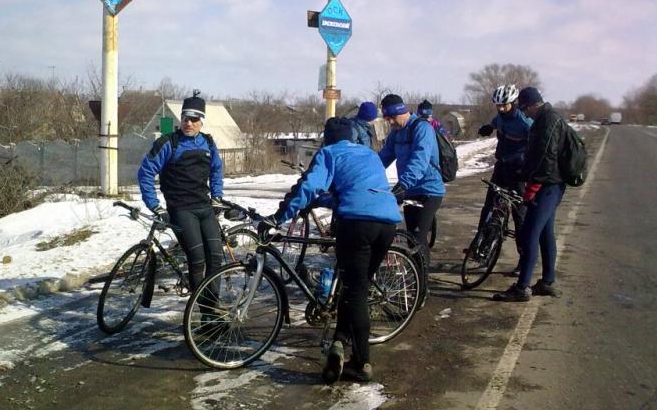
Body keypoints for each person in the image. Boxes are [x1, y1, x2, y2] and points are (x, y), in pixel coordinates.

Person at [258, 117, 401, 384]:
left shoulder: (329, 153)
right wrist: (325, 199)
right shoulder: (369, 154)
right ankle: (339, 342)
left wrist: (279, 217)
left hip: (357, 223)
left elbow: (310, 186)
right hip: (388, 222)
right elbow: (360, 188)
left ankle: (361, 363)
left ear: (327, 138)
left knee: (355, 292)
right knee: (353, 288)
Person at [137, 93, 224, 293]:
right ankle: (201, 310)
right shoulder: (169, 143)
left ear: (201, 122)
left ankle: (212, 311)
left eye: (194, 119)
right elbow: (145, 173)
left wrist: (217, 196)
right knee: (198, 260)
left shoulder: (208, 143)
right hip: (181, 210)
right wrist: (154, 205)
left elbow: (217, 170)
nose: (189, 123)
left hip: (205, 207)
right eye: (185, 118)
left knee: (216, 258)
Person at [493, 87, 566, 302]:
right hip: (553, 184)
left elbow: (544, 158)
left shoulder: (546, 123)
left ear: (533, 104)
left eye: (524, 108)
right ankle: (547, 282)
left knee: (529, 234)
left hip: (547, 185)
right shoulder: (549, 118)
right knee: (545, 232)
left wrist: (531, 189)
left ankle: (522, 287)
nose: (524, 113)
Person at [378, 94, 445, 267]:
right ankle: (417, 276)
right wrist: (367, 174)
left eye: (392, 117)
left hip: (428, 190)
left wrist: (403, 184)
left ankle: (423, 285)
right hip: (410, 190)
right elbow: (384, 157)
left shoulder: (422, 128)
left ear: (401, 112)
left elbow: (419, 160)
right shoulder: (396, 133)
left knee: (417, 238)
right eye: (387, 119)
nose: (390, 122)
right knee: (411, 239)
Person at [477, 84, 533, 262]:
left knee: (520, 215)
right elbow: (495, 123)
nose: (500, 109)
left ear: (513, 103)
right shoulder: (500, 117)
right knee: (488, 206)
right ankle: (479, 245)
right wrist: (488, 128)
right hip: (501, 166)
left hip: (518, 171)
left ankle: (523, 257)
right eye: (498, 106)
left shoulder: (524, 122)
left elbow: (536, 143)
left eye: (504, 105)